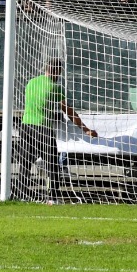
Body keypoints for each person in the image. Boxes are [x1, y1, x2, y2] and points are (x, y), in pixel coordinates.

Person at [18, 58, 96, 202]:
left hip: (25, 126)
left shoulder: (31, 83)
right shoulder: (55, 88)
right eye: (59, 72)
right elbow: (69, 111)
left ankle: (20, 195)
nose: (59, 75)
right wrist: (85, 129)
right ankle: (52, 197)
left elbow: (37, 103)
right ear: (55, 71)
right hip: (42, 128)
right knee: (52, 164)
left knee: (25, 162)